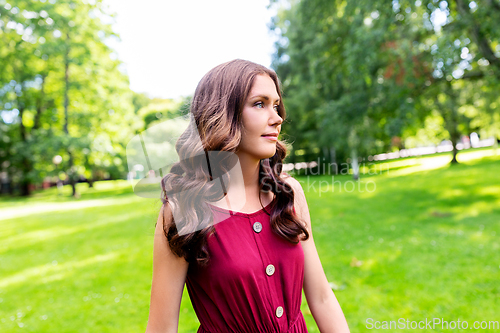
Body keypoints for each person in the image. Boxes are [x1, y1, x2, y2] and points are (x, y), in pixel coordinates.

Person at [145, 59, 350, 333]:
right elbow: (161, 328)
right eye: (259, 104)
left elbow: (322, 297)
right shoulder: (185, 209)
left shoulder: (288, 193)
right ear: (223, 115)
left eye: (276, 105)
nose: (277, 117)